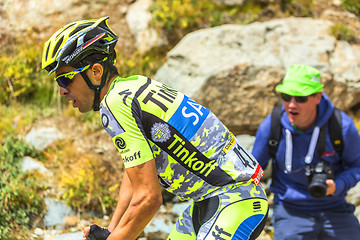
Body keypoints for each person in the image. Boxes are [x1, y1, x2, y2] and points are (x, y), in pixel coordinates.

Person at [42, 16, 268, 240]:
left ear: (95, 72)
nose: (62, 91)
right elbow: (135, 172)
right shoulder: (133, 86)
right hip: (209, 201)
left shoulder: (115, 104)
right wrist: (112, 230)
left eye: (65, 80)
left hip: (233, 200)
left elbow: (149, 197)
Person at [252, 64, 360, 240]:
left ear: (317, 97)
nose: (291, 105)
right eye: (286, 97)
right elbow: (253, 171)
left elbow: (357, 166)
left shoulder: (342, 127)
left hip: (335, 208)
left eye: (300, 98)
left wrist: (337, 185)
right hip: (290, 210)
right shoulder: (272, 126)